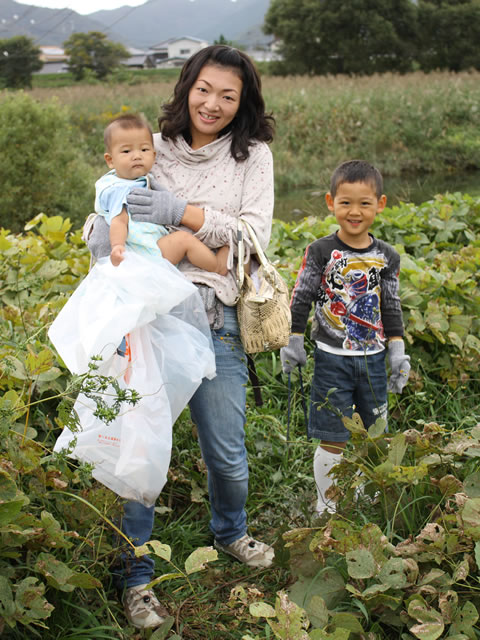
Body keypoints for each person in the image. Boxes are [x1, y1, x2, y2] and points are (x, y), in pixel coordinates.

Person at [87, 45, 276, 630]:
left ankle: (231, 531)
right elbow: (109, 209)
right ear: (186, 87)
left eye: (228, 95)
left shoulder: (254, 157)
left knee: (227, 454)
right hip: (153, 315)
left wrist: (181, 211)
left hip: (215, 317)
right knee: (140, 451)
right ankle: (137, 577)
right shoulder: (153, 146)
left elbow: (251, 240)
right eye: (204, 89)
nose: (212, 103)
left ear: (243, 102)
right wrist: (103, 231)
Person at [280, 160, 411, 517]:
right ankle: (327, 503)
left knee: (375, 434)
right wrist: (293, 340)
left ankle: (369, 495)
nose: (355, 212)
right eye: (346, 203)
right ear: (331, 202)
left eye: (364, 203)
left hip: (373, 361)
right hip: (331, 358)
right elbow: (301, 296)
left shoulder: (387, 256)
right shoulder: (320, 251)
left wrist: (397, 351)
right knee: (333, 436)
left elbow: (391, 306)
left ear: (380, 204)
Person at [98, 113, 228, 274]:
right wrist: (117, 246)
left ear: (153, 156)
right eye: (126, 151)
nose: (137, 156)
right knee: (184, 240)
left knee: (182, 239)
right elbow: (119, 220)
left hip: (149, 247)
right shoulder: (118, 190)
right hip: (143, 253)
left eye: (144, 149)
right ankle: (217, 267)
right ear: (110, 160)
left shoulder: (133, 181)